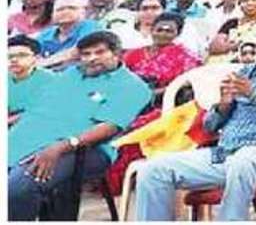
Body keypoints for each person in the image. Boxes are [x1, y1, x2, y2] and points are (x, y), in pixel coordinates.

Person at [131, 23, 256, 221]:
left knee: (244, 160)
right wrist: (222, 106)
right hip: (226, 152)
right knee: (152, 170)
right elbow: (209, 127)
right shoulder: (245, 73)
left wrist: (254, 93)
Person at [9, 31, 151, 221]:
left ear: (117, 53)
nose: (91, 58)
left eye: (99, 52)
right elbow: (38, 109)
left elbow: (109, 127)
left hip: (81, 149)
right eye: (86, 54)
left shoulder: (132, 86)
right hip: (28, 138)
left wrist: (63, 146)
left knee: (16, 189)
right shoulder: (70, 74)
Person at [121, 13, 202, 91]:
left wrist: (159, 92)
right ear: (152, 30)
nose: (163, 34)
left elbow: (189, 81)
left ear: (178, 33)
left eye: (169, 31)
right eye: (159, 30)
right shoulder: (134, 54)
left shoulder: (186, 57)